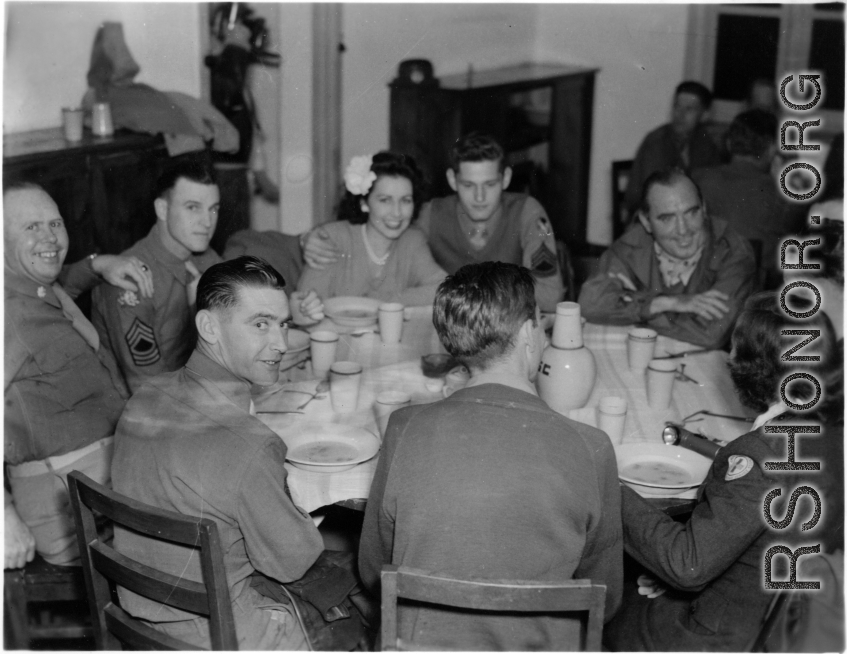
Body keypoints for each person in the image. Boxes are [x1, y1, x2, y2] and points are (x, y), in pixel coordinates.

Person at [359, 262, 623, 650]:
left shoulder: (402, 428)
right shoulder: (593, 446)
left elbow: (372, 571)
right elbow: (606, 596)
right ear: (530, 332)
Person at [604, 291, 842, 651]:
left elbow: (688, 566)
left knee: (607, 601)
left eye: (736, 350)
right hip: (781, 609)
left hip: (724, 636)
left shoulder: (758, 456)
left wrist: (609, 485)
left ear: (752, 369)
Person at [111, 256, 324, 649]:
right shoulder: (250, 443)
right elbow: (293, 563)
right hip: (218, 631)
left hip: (139, 613)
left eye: (283, 324)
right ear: (209, 326)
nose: (280, 343)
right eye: (260, 324)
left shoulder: (145, 394)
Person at [4, 182, 153, 568]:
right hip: (73, 512)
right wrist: (2, 518)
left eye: (54, 223)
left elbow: (56, 280)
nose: (49, 237)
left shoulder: (36, 287)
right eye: (31, 227)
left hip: (111, 485)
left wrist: (98, 264)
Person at [92, 160, 322, 393]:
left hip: (202, 390)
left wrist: (288, 314)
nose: (207, 222)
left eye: (213, 208)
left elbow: (240, 319)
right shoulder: (130, 281)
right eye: (193, 207)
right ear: (162, 209)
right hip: (152, 406)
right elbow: (149, 390)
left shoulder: (204, 256)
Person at [304, 133, 565, 311]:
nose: (480, 197)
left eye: (490, 184)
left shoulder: (527, 213)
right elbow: (381, 220)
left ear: (506, 178)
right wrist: (309, 238)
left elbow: (550, 295)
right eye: (468, 185)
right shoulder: (429, 214)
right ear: (452, 180)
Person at [579, 168, 757, 349]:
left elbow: (709, 333)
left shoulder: (734, 252)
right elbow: (590, 304)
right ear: (646, 222)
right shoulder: (630, 247)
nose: (683, 230)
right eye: (667, 219)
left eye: (691, 213)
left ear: (703, 208)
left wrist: (633, 310)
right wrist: (665, 303)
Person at [297, 151, 447, 306]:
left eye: (406, 200)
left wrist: (386, 302)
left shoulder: (413, 241)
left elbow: (445, 290)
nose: (397, 212)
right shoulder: (332, 238)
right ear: (364, 203)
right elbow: (303, 306)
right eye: (384, 200)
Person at [693, 109, 802, 287]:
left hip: (700, 287)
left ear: (728, 144)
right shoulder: (782, 197)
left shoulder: (697, 180)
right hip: (755, 298)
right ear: (773, 148)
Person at [625, 81, 721, 215]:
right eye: (677, 106)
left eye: (689, 109)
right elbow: (651, 196)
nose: (680, 114)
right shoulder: (657, 142)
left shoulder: (706, 142)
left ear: (704, 115)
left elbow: (712, 190)